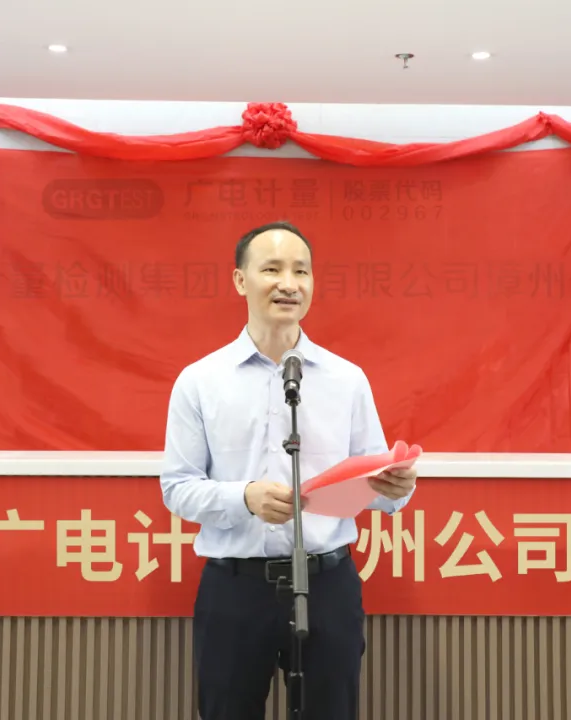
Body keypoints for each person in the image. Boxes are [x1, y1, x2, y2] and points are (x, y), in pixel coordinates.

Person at [159, 221, 418, 720]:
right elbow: (178, 488)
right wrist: (245, 498)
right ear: (240, 281)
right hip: (235, 589)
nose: (289, 284)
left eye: (301, 271)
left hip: (328, 584)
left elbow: (381, 488)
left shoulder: (346, 379)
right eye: (272, 269)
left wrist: (396, 485)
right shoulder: (200, 381)